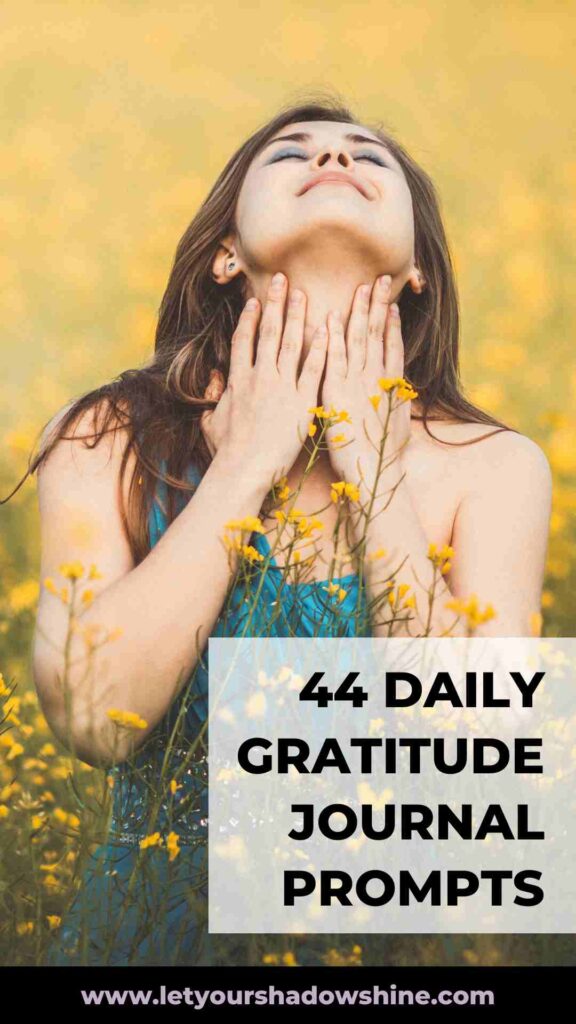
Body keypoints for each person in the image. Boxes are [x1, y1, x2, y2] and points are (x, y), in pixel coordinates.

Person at [22, 97, 551, 964]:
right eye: (291, 153)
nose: (334, 158)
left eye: (368, 157)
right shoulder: (103, 438)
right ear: (226, 253)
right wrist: (245, 466)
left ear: (420, 268)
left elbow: (480, 760)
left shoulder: (496, 467)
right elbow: (91, 723)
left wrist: (371, 463)